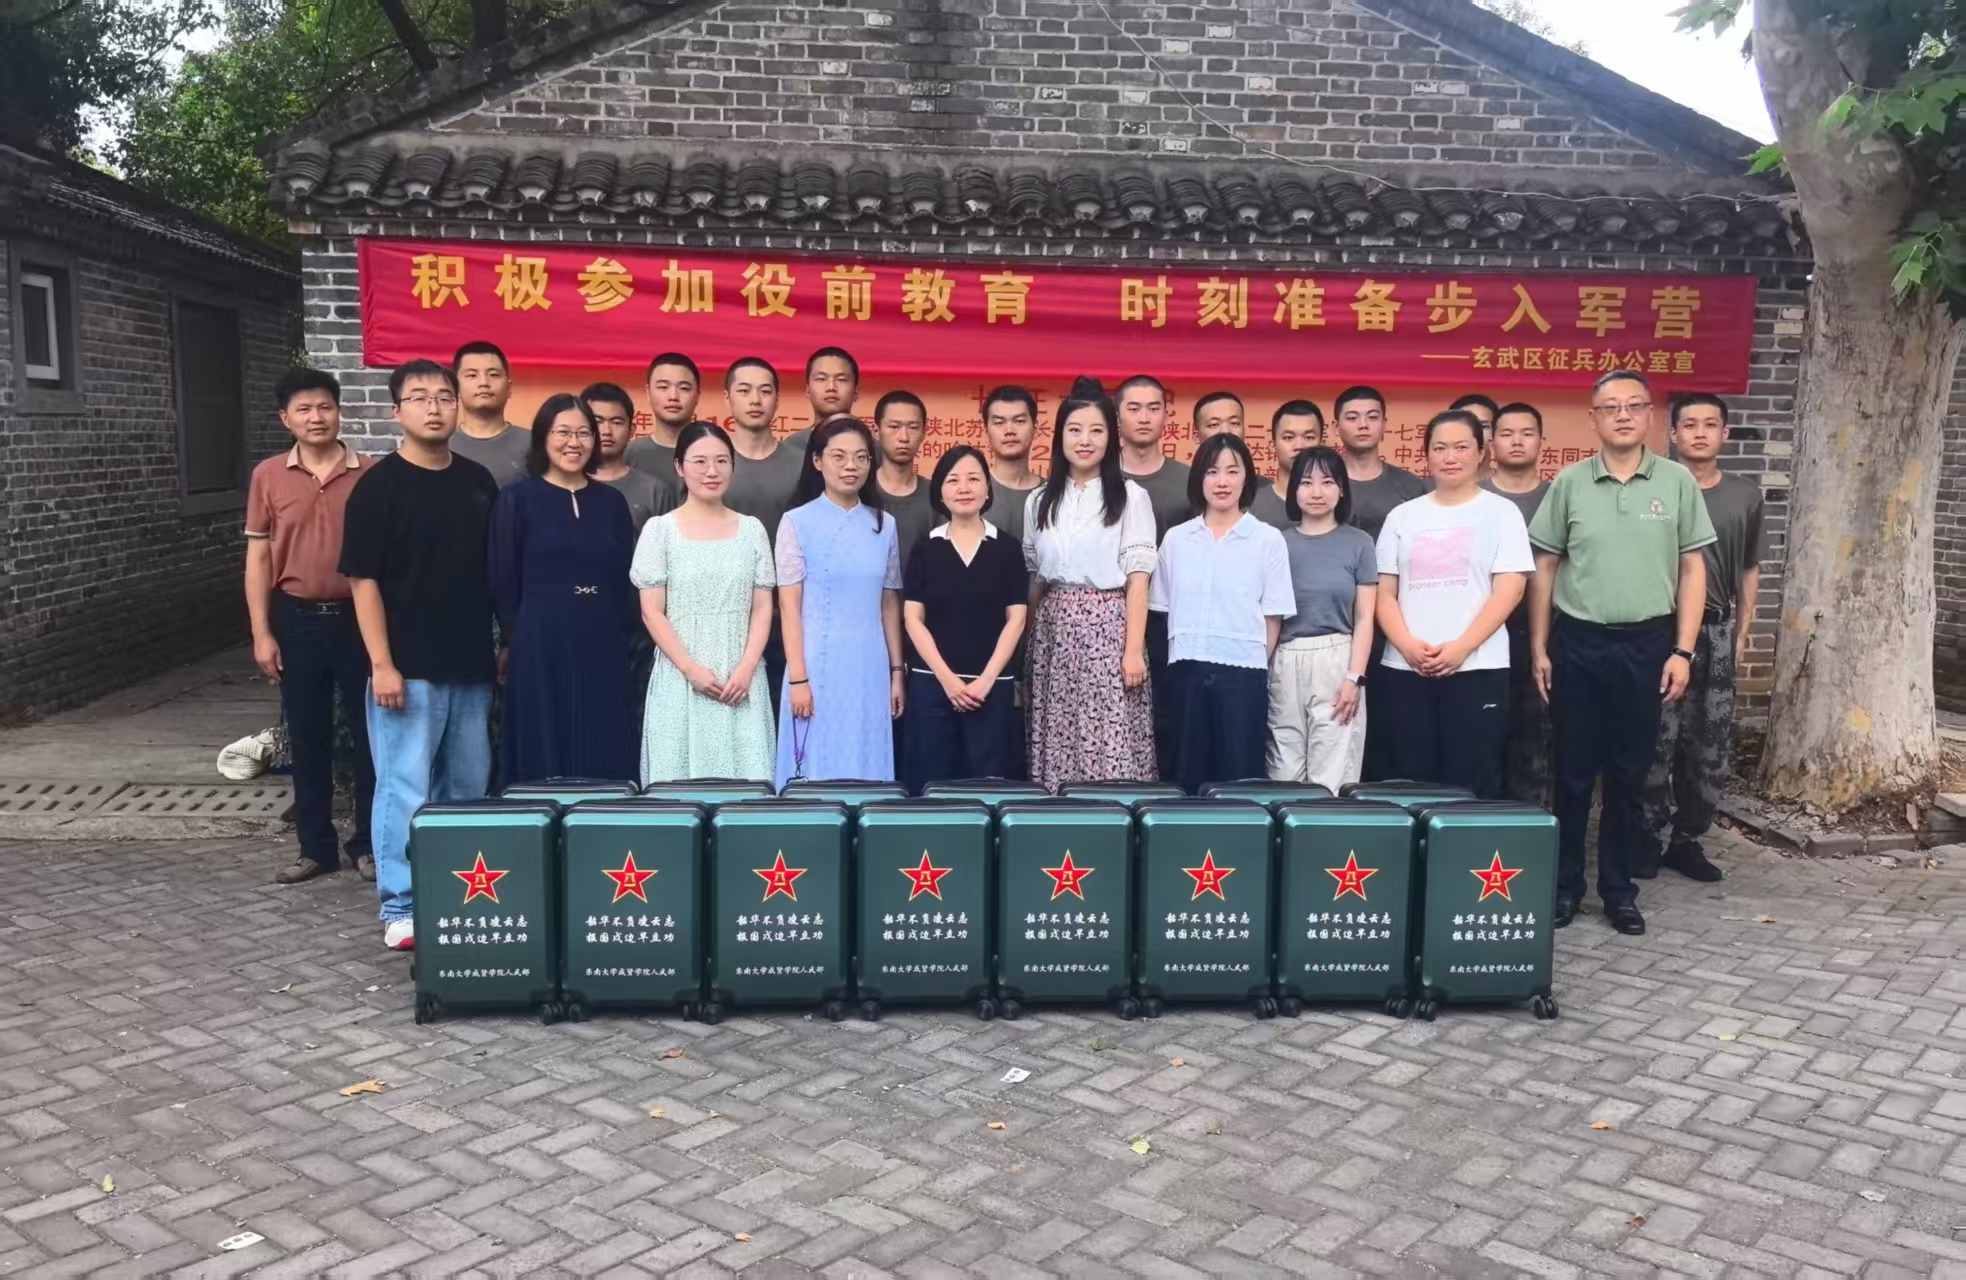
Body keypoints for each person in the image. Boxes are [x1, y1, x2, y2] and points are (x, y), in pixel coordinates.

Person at [1529, 371, 1716, 938]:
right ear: (1593, 418)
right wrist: (1539, 646)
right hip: (1579, 641)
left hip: (1647, 644)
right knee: (1572, 774)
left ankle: (1618, 891)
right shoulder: (1570, 483)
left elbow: (1692, 569)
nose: (1623, 415)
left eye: (1634, 405)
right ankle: (1565, 887)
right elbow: (1545, 566)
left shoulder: (1676, 483)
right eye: (1610, 407)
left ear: (1650, 416)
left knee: (1630, 774)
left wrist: (1682, 650)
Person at [339, 359, 498, 951]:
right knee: (404, 787)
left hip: (470, 664)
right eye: (420, 397)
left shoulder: (477, 481)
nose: (435, 407)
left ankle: (460, 896)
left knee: (467, 789)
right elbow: (363, 581)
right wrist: (382, 664)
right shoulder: (378, 487)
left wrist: (500, 645)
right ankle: (401, 905)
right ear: (396, 411)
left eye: (444, 397)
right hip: (406, 670)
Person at [245, 368, 376, 885]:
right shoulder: (268, 475)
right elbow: (258, 558)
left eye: (325, 407)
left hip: (359, 619)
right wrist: (262, 632)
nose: (316, 417)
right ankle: (314, 846)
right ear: (286, 419)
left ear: (339, 412)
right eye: (304, 409)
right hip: (295, 616)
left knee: (371, 737)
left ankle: (367, 844)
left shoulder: (371, 474)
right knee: (307, 735)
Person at [1374, 410, 1533, 798]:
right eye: (1440, 448)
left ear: (1481, 453)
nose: (1450, 457)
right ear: (1426, 455)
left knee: (1471, 781)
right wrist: (1407, 647)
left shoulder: (1502, 513)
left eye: (1461, 447)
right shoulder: (1403, 516)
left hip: (1478, 667)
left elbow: (1510, 589)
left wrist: (1462, 648)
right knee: (1408, 780)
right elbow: (1383, 593)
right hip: (1406, 668)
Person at [1642, 393, 1764, 882]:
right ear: (1672, 434)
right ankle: (1644, 835)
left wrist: (1744, 629)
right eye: (1688, 424)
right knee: (1654, 737)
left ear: (1725, 434)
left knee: (1708, 743)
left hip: (1716, 630)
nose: (1698, 432)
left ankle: (1686, 839)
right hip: (1661, 628)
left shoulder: (1745, 495)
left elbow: (1749, 567)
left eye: (1709, 424)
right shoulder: (1654, 489)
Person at [488, 395, 637, 788]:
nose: (574, 442)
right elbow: (503, 577)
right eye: (563, 432)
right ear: (543, 437)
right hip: (539, 637)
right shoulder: (517, 499)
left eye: (584, 433)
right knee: (543, 735)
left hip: (602, 635)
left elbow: (624, 575)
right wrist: (511, 638)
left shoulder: (612, 502)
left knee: (601, 734)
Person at [1024, 377, 1158, 791]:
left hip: (1109, 629)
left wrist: (1133, 651)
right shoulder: (1039, 499)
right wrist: (1026, 650)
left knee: (1108, 733)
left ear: (1111, 438)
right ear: (1059, 436)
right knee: (1058, 733)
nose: (1085, 440)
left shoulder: (1130, 497)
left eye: (1096, 430)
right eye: (1075, 430)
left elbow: (1138, 579)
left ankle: (1112, 815)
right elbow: (1035, 580)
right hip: (1052, 633)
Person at [633, 422, 777, 783]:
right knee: (678, 783)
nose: (712, 471)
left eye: (722, 461)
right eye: (699, 461)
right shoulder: (660, 530)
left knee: (747, 784)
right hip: (680, 674)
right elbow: (652, 612)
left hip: (741, 677)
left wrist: (746, 668)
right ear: (679, 467)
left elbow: (762, 607)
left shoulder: (752, 529)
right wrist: (691, 670)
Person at [1150, 434, 1294, 793]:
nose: (1222, 481)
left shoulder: (1267, 539)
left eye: (1233, 471)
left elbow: (1273, 617)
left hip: (1243, 674)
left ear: (1247, 478)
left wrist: (1253, 661)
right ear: (1199, 478)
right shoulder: (1176, 539)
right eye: (1212, 472)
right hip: (1185, 671)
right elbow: (1162, 611)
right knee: (1186, 775)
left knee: (1239, 777)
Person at [774, 418, 904, 788]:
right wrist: (799, 678)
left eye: (861, 457)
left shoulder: (885, 525)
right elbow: (789, 608)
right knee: (816, 765)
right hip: (816, 665)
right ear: (817, 461)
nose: (851, 466)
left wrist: (897, 672)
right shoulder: (796, 522)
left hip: (869, 666)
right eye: (839, 456)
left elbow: (889, 604)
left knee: (867, 762)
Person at [901, 446, 1029, 791]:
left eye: (973, 479)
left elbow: (1016, 619)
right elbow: (913, 618)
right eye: (953, 480)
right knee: (932, 786)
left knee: (988, 789)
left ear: (987, 489)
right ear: (940, 491)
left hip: (992, 689)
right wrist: (949, 682)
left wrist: (986, 681)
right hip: (932, 687)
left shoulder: (1007, 548)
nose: (964, 488)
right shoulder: (926, 548)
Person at [1267, 446, 1377, 792]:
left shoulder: (1359, 543)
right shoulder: (1275, 542)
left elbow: (1365, 618)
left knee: (1332, 771)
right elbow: (1270, 616)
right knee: (1282, 768)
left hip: (1337, 659)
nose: (1316, 492)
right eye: (1306, 482)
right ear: (1292, 489)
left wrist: (1354, 678)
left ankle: (1327, 830)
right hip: (1285, 657)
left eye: (1327, 482)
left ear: (1342, 489)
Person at [721, 356, 807, 714]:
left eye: (765, 391)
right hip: (726, 612)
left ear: (778, 399)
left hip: (790, 616)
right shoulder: (712, 462)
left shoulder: (803, 464)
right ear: (727, 398)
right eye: (744, 390)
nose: (755, 400)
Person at [1116, 373, 1190, 780]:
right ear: (1117, 417)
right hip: (1114, 619)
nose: (1144, 417)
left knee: (1171, 721)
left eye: (1153, 408)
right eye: (1134, 408)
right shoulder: (1099, 478)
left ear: (1167, 416)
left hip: (1174, 619)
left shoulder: (1189, 481)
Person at [1482, 402, 1554, 808]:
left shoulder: (1557, 496)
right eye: (1506, 434)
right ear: (1491, 442)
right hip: (1480, 631)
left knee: (1536, 735)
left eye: (1527, 433)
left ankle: (1529, 823)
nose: (1516, 442)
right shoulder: (1474, 496)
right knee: (1485, 734)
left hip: (1543, 632)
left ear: (1542, 441)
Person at [1333, 385, 1430, 540]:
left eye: (1372, 417)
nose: (1363, 425)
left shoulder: (1410, 485)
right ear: (1336, 427)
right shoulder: (1322, 485)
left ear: (1384, 425)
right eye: (1352, 418)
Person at [582, 382, 671, 535]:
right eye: (597, 422)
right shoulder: (562, 485)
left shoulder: (654, 490)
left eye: (616, 423)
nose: (606, 431)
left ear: (631, 430)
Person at [449, 341, 530, 487]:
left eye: (493, 374)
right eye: (472, 375)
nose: (484, 383)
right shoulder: (441, 445)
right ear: (455, 387)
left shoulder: (536, 444)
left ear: (509, 388)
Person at [873, 390, 936, 572]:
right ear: (877, 431)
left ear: (924, 432)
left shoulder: (937, 497)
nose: (903, 437)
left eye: (913, 427)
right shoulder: (858, 493)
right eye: (894, 426)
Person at [625, 352, 700, 483]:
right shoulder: (630, 455)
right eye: (663, 387)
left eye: (684, 388)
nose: (673, 397)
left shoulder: (716, 453)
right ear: (648, 392)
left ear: (697, 395)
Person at [982, 385, 1042, 543]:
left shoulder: (1051, 495)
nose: (1009, 430)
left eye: (1019, 421)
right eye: (999, 422)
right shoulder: (970, 490)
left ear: (1035, 430)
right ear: (986, 431)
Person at [1251, 400, 1322, 530]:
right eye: (1289, 437)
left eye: (1309, 437)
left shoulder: (1335, 504)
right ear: (1272, 445)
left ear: (1321, 444)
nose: (1299, 446)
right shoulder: (1252, 509)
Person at [801, 346, 860, 438]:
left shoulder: (871, 445)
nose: (831, 387)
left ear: (855, 391)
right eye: (821, 379)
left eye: (841, 379)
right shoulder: (791, 445)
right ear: (808, 390)